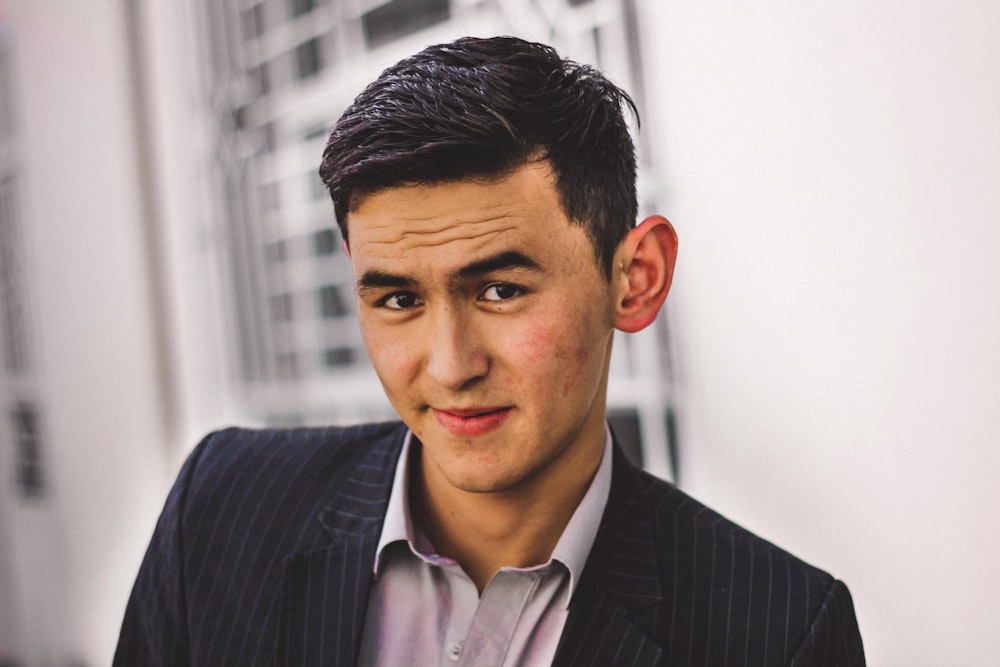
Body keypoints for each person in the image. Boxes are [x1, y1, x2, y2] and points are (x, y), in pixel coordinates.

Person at [114, 36, 864, 666]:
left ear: (635, 279)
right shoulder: (218, 513)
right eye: (399, 299)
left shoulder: (779, 633)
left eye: (500, 290)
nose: (449, 365)